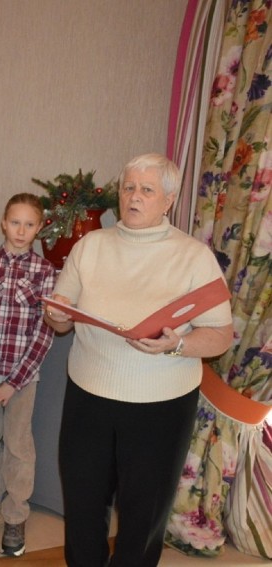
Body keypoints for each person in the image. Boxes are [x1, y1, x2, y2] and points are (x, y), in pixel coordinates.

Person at [44, 153, 233, 567]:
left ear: (168, 200)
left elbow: (220, 335)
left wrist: (177, 345)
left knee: (143, 515)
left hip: (160, 407)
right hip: (88, 397)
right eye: (128, 187)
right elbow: (60, 320)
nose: (134, 197)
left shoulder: (193, 257)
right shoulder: (91, 245)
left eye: (147, 190)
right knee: (83, 507)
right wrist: (55, 312)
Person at [0, 194, 56, 557]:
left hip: (22, 378)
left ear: (40, 227)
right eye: (15, 222)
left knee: (18, 446)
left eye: (29, 224)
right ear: (3, 223)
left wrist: (13, 382)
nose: (21, 231)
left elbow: (45, 332)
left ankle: (15, 513)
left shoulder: (45, 273)